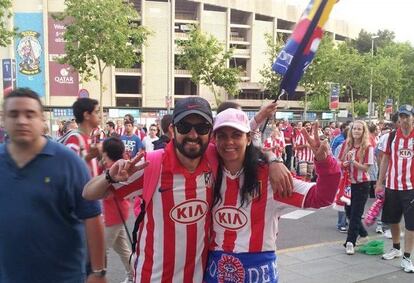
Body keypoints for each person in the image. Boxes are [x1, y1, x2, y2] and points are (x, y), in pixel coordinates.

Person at [82, 97, 293, 282]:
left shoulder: (214, 158)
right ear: (173, 130)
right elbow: (88, 193)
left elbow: (241, 140)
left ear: (209, 133)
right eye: (185, 126)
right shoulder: (151, 164)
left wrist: (272, 159)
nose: (193, 134)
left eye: (201, 128)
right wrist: (109, 176)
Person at [204, 109, 341, 282]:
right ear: (214, 140)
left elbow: (321, 197)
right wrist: (270, 154)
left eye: (236, 135)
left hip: (259, 274)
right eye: (222, 136)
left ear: (248, 139)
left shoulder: (270, 177)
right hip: (215, 273)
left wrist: (324, 162)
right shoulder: (206, 172)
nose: (229, 142)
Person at [0, 88, 106, 283]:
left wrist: (98, 272)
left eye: (30, 114)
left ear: (41, 119)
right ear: (3, 119)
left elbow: (92, 217)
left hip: (63, 276)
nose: (22, 120)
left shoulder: (68, 162)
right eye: (13, 114)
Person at [376, 104, 414, 273]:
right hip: (392, 186)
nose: (404, 120)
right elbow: (384, 160)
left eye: (407, 116)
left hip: (411, 188)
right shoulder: (391, 137)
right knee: (392, 219)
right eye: (402, 116)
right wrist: (379, 182)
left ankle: (407, 257)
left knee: (411, 224)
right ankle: (396, 248)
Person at [338, 120, 374, 255]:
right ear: (351, 131)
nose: (357, 131)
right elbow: (339, 162)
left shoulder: (368, 147)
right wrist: (345, 163)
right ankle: (363, 234)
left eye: (359, 129)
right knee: (348, 212)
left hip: (362, 185)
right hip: (348, 184)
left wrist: (354, 162)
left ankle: (350, 242)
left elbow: (366, 168)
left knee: (355, 215)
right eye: (354, 129)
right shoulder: (346, 145)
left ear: (364, 132)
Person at [101, 137, 133, 283]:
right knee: (122, 249)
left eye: (103, 154)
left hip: (114, 215)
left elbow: (104, 193)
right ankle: (133, 276)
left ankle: (98, 277)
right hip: (117, 214)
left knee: (101, 250)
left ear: (107, 154)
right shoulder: (115, 166)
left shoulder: (114, 171)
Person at [64, 98, 101, 177]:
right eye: (96, 112)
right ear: (87, 115)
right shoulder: (74, 139)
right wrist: (89, 157)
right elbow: (69, 171)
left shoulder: (88, 139)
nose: (100, 116)